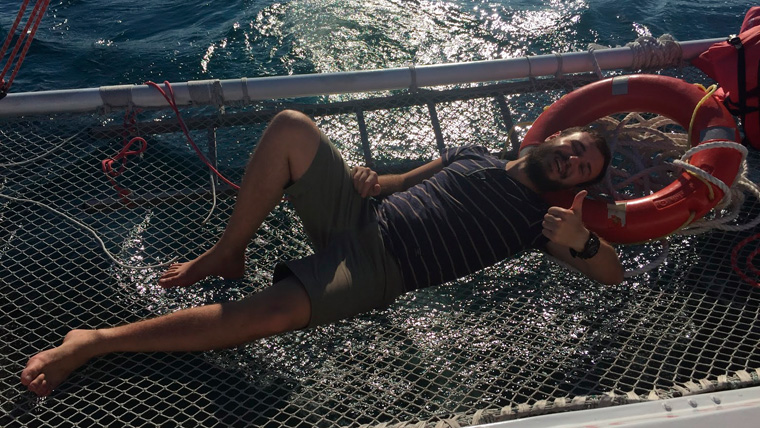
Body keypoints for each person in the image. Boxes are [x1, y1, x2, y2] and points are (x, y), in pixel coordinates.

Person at [21, 110, 623, 396]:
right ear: (555, 137)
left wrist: (585, 243)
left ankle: (94, 340)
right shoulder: (472, 154)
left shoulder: (545, 223)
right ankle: (228, 251)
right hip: (363, 215)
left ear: (576, 185)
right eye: (575, 149)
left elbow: (611, 275)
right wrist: (368, 178)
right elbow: (395, 184)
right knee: (291, 126)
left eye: (583, 169)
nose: (572, 161)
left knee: (269, 314)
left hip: (380, 269)